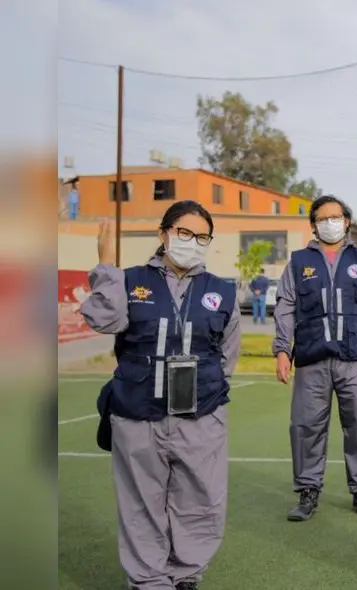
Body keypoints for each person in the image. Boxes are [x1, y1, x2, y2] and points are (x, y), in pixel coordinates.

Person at [82, 200, 241, 590]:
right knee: (141, 504)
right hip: (138, 414)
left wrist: (205, 392)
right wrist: (106, 267)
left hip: (200, 416)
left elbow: (227, 356)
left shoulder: (223, 290)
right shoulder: (129, 280)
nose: (192, 242)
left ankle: (185, 575)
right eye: (184, 233)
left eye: (202, 237)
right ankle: (149, 580)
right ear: (164, 234)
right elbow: (103, 319)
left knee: (201, 502)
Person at [272, 194, 357, 521]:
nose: (330, 222)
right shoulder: (300, 261)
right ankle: (307, 491)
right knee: (306, 426)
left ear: (347, 222)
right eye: (323, 218)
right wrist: (281, 349)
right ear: (314, 225)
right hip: (311, 356)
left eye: (336, 217)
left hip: (354, 354)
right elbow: (285, 306)